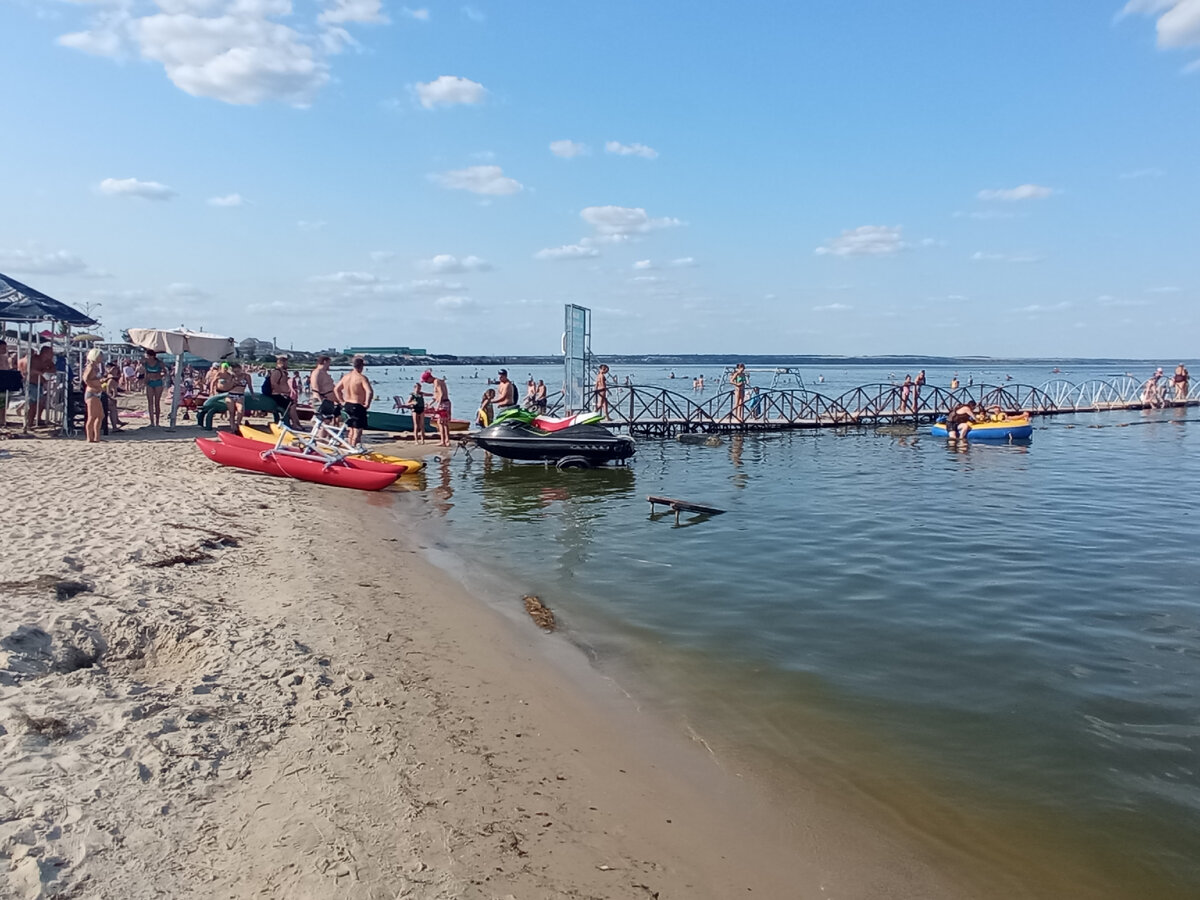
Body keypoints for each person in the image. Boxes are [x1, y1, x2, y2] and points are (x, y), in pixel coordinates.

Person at [334, 356, 373, 446]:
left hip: (347, 404)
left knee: (351, 429)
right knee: (357, 431)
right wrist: (367, 403)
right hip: (357, 405)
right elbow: (369, 391)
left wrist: (341, 401)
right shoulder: (361, 378)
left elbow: (336, 389)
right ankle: (354, 448)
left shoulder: (346, 377)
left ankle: (350, 446)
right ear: (362, 366)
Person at [17, 345, 55, 428]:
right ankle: (29, 423)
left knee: (41, 403)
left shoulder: (48, 361)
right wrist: (40, 373)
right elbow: (29, 370)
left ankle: (38, 419)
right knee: (33, 404)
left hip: (40, 384)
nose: (52, 354)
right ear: (45, 353)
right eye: (51, 353)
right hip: (31, 384)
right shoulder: (34, 359)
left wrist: (46, 370)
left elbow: (53, 369)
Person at [265, 355, 299, 428]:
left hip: (282, 394)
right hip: (276, 395)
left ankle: (297, 423)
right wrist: (281, 392)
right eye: (286, 363)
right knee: (291, 405)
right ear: (281, 363)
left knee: (292, 404)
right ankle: (295, 424)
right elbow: (273, 383)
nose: (287, 365)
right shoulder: (277, 372)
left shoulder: (282, 372)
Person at [81, 348, 105, 443]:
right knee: (92, 416)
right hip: (91, 393)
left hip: (96, 392)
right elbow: (85, 379)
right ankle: (89, 437)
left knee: (100, 415)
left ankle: (97, 437)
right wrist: (93, 385)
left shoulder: (96, 367)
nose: (101, 358)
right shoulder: (90, 366)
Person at [142, 349, 168, 427]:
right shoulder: (146, 363)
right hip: (150, 382)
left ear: (151, 356)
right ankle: (152, 422)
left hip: (158, 382)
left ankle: (157, 422)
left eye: (146, 355)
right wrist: (145, 382)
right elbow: (146, 373)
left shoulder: (159, 363)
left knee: (157, 402)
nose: (145, 356)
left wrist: (159, 375)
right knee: (150, 402)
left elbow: (165, 372)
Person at [309, 355, 339, 419]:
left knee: (327, 421)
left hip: (329, 401)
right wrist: (320, 402)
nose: (329, 365)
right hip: (323, 401)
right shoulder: (317, 372)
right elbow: (315, 388)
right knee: (323, 422)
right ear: (325, 362)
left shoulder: (324, 373)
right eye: (329, 363)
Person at [0, 338, 19, 428]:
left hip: (5, 382)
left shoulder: (6, 358)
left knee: (4, 403)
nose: (4, 350)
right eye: (3, 348)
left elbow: (8, 369)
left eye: (5, 348)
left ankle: (3, 420)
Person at [430, 370, 452, 448]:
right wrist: (430, 403)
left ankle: (443, 441)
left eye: (426, 381)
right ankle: (447, 441)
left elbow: (441, 393)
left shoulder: (437, 382)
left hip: (443, 404)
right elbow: (436, 396)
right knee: (445, 423)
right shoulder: (440, 381)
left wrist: (438, 405)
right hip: (446, 403)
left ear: (429, 378)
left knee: (441, 423)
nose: (427, 383)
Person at [410, 374, 430, 443]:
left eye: (420, 388)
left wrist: (435, 394)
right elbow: (407, 403)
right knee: (416, 425)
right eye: (417, 388)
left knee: (422, 425)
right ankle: (416, 440)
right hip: (415, 410)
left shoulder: (421, 394)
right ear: (415, 388)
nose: (418, 389)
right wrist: (412, 403)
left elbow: (429, 394)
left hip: (421, 410)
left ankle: (423, 440)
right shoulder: (413, 395)